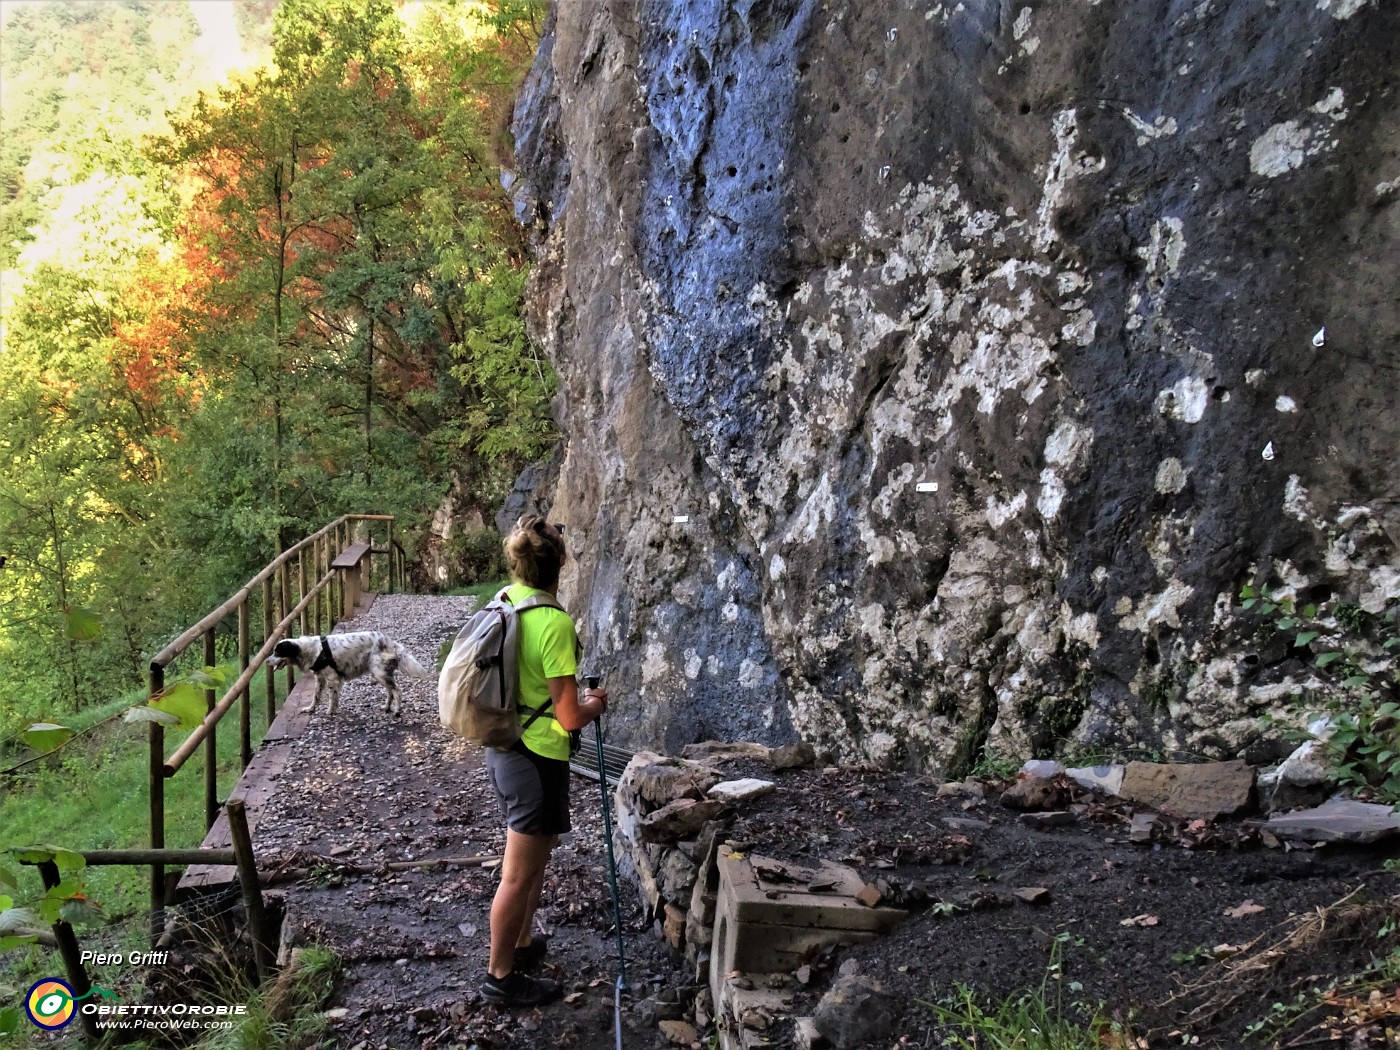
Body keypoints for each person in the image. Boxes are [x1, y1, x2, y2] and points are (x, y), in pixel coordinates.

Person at [481, 515, 609, 1008]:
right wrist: (598, 702)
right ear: (561, 563)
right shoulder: (553, 623)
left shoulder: (508, 600)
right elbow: (571, 716)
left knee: (537, 855)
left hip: (507, 746)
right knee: (516, 874)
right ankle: (500, 976)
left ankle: (521, 944)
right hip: (536, 758)